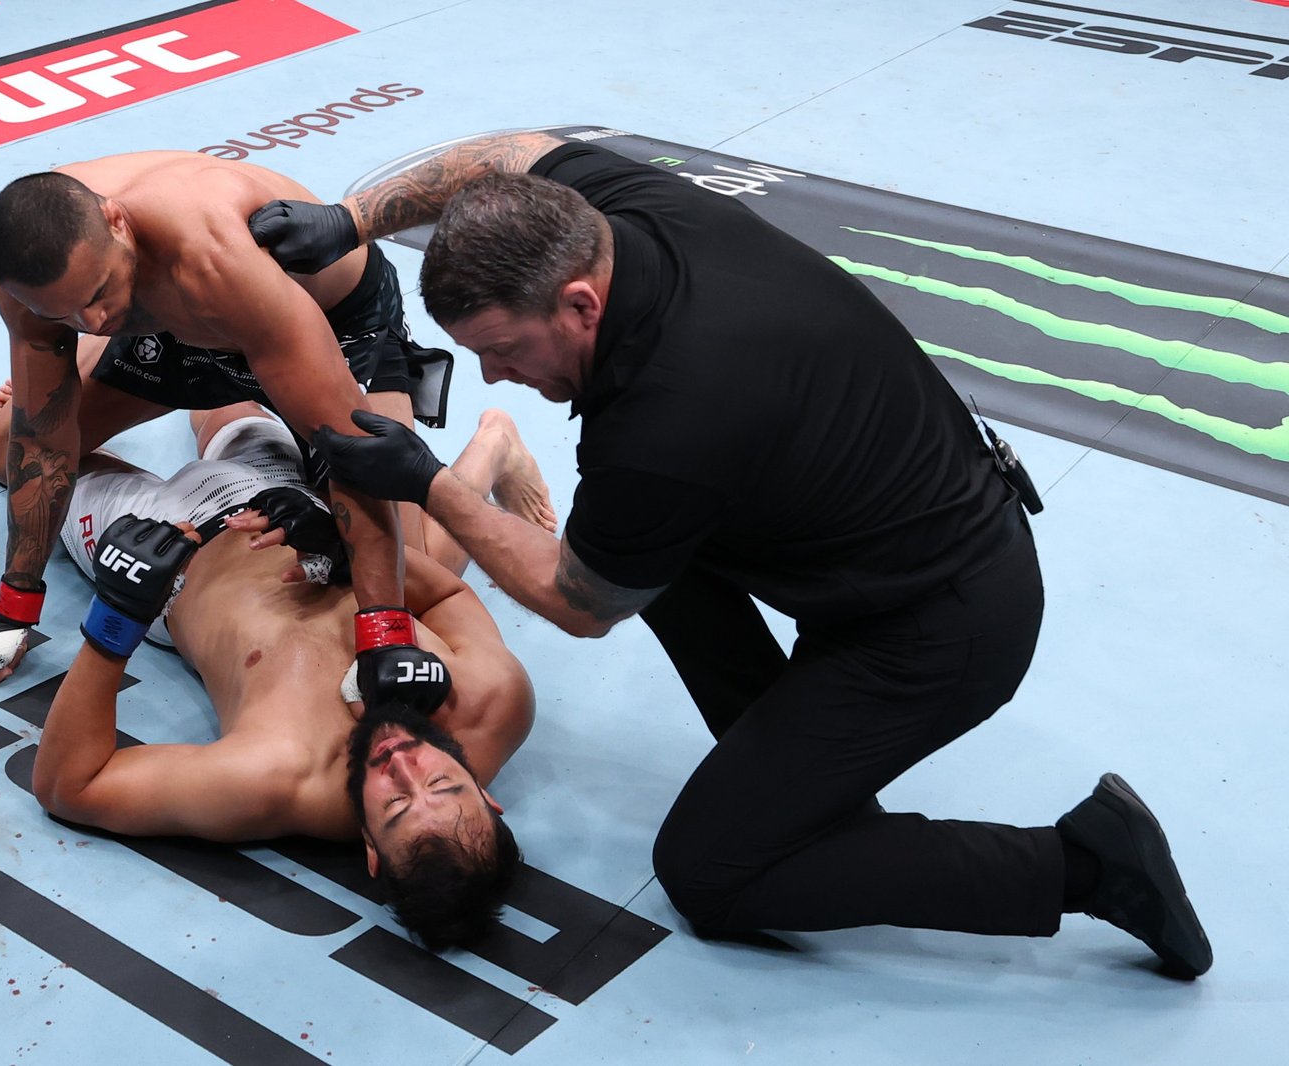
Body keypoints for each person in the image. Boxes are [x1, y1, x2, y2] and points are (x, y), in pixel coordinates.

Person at [245, 131, 1214, 977]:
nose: (494, 374)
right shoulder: (620, 211)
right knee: (646, 551)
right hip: (881, 531)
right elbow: (503, 153)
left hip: (942, 627)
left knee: (711, 870)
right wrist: (353, 216)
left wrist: (430, 480)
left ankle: (1088, 861)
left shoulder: (671, 418)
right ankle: (808, 803)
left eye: (505, 351)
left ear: (580, 304)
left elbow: (581, 603)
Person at [0, 292, 550, 947]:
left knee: (19, 459)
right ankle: (485, 445)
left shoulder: (276, 775)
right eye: (443, 783)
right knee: (221, 368)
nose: (404, 765)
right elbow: (448, 598)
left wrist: (118, 617)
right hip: (295, 507)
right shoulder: (495, 702)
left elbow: (68, 786)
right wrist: (337, 548)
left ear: (369, 845)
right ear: (488, 796)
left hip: (168, 551)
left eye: (394, 805)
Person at [0, 151, 458, 726]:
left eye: (97, 294)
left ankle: (493, 447)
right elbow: (45, 442)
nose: (92, 323)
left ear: (118, 222)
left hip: (324, 316)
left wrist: (383, 633)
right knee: (2, 452)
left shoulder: (214, 260)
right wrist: (15, 602)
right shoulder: (33, 288)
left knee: (411, 564)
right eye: (68, 315)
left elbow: (352, 450)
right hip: (178, 325)